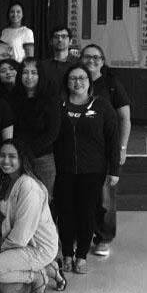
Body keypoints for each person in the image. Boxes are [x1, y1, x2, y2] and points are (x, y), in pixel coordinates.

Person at [53, 64, 120, 274]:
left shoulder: (101, 106)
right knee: (65, 212)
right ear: (67, 82)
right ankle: (66, 253)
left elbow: (113, 139)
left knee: (86, 212)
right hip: (63, 170)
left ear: (89, 83)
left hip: (93, 171)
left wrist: (114, 169)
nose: (77, 82)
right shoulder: (58, 106)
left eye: (82, 78)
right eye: (73, 78)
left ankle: (81, 255)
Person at [0, 139, 65, 293]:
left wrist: (2, 250)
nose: (6, 161)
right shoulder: (7, 179)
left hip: (37, 247)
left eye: (12, 156)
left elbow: (22, 232)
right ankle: (50, 269)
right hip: (20, 244)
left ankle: (38, 277)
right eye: (2, 155)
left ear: (22, 159)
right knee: (7, 289)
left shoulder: (29, 186)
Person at [81, 44, 131, 257]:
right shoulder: (75, 80)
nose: (91, 61)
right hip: (80, 150)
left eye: (96, 57)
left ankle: (103, 237)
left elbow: (125, 118)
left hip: (106, 150)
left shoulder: (111, 84)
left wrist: (122, 147)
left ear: (102, 61)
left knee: (105, 197)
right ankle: (80, 235)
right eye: (87, 57)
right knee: (80, 196)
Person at [10, 58, 60, 198]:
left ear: (40, 76)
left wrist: (28, 152)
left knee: (43, 200)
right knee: (18, 199)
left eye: (34, 72)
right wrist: (19, 153)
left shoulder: (50, 99)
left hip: (42, 159)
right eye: (25, 72)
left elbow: (52, 132)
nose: (29, 76)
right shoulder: (13, 98)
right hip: (17, 158)